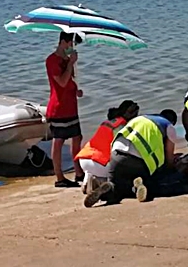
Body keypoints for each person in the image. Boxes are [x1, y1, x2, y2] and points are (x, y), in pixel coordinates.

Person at [84, 110, 178, 207]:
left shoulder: (140, 118)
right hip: (139, 160)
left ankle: (107, 188)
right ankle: (138, 186)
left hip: (116, 154)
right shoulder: (168, 126)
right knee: (154, 184)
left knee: (116, 188)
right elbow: (169, 157)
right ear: (172, 121)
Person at [74, 100, 139, 194]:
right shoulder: (122, 127)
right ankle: (103, 184)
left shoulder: (108, 122)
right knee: (123, 169)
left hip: (83, 160)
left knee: (99, 167)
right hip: (99, 162)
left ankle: (89, 179)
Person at [45, 31, 84, 188]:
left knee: (77, 138)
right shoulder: (52, 61)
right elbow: (60, 82)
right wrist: (70, 63)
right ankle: (59, 177)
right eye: (70, 44)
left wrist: (75, 90)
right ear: (63, 42)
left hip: (71, 106)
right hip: (58, 108)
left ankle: (78, 171)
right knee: (59, 141)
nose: (72, 47)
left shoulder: (66, 59)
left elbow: (68, 82)